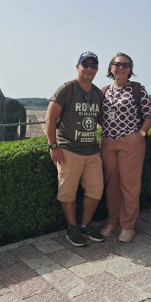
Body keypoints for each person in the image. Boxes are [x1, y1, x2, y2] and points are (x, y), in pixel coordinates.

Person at [45, 51, 105, 247]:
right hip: (68, 150)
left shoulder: (97, 93)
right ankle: (72, 227)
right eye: (85, 64)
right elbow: (50, 118)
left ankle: (85, 225)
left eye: (93, 65)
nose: (89, 68)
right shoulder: (67, 89)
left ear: (97, 69)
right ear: (77, 66)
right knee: (67, 192)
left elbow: (103, 121)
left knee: (96, 190)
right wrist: (53, 145)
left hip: (92, 151)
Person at [100, 53, 151, 242]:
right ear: (111, 68)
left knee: (129, 186)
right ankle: (112, 221)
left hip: (131, 143)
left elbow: (149, 115)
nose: (121, 67)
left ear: (130, 69)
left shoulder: (137, 89)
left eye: (125, 64)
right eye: (117, 64)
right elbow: (100, 117)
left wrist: (139, 135)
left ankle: (128, 225)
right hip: (108, 143)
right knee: (111, 185)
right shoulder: (104, 90)